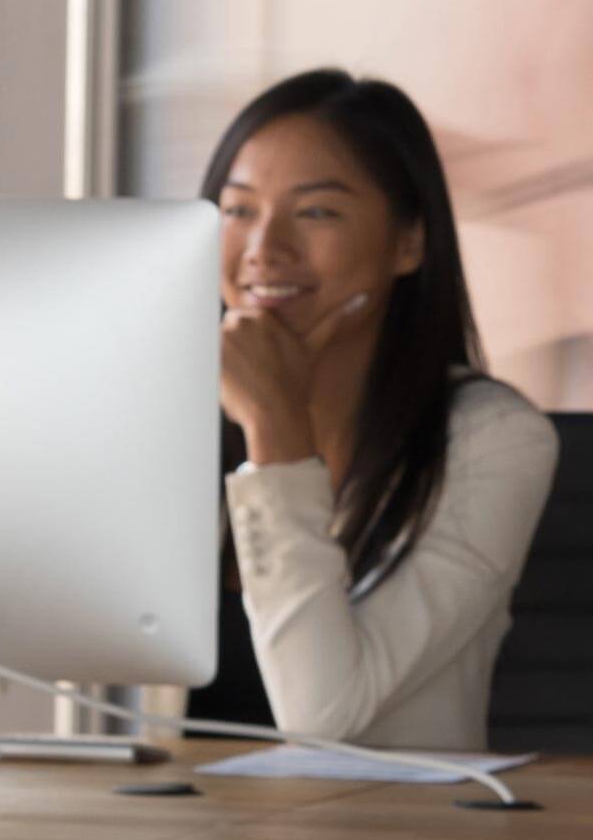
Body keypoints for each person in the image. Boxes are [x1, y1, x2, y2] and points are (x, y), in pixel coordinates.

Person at [198, 69, 558, 752]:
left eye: (317, 212)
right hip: (170, 832)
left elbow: (323, 714)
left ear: (408, 244)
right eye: (239, 209)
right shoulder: (173, 422)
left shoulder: (495, 443)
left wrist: (275, 429)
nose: (264, 248)